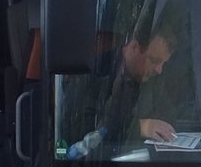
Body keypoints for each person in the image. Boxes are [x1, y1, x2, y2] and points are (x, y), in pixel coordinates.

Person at [65, 20, 180, 156]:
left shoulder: (152, 78)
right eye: (154, 60)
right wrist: (139, 127)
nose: (159, 70)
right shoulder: (95, 74)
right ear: (133, 47)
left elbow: (169, 116)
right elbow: (82, 133)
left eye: (163, 63)